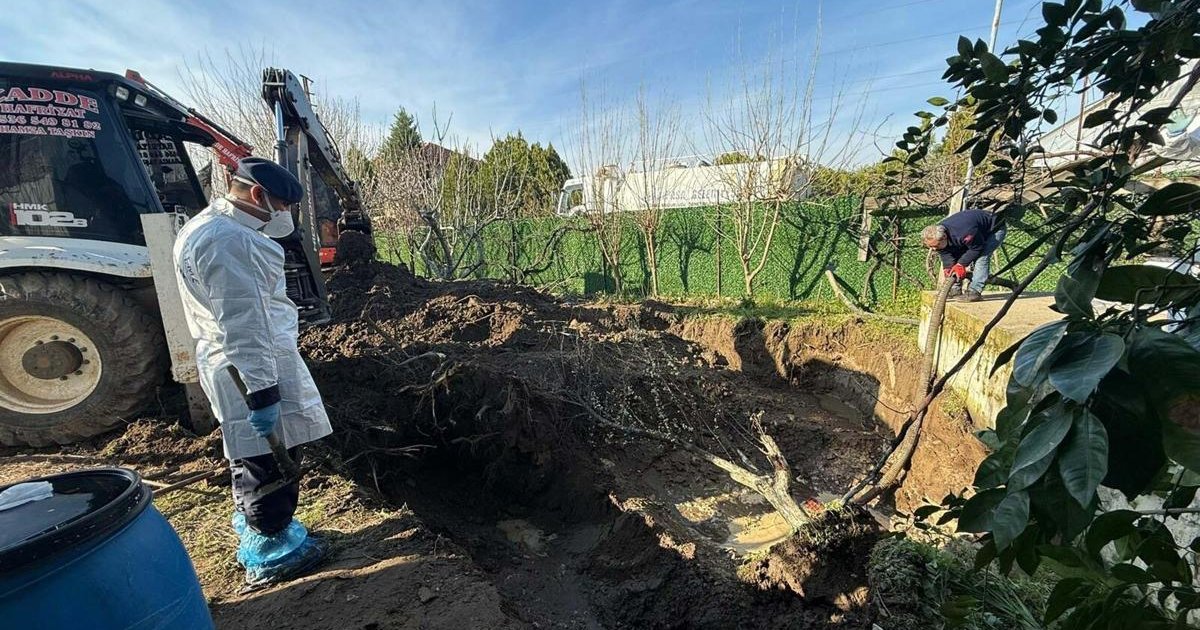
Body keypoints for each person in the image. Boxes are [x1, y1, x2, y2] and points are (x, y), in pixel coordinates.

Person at [173, 157, 331, 587]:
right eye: (281, 205)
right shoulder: (234, 242)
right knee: (270, 462)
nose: (285, 216)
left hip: (227, 364)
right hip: (253, 369)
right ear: (258, 195)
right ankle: (274, 549)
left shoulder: (204, 227)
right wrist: (264, 392)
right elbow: (247, 321)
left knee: (249, 456)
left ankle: (257, 524)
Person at [921, 208, 1007, 302]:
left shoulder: (964, 232)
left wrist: (961, 264)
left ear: (944, 237)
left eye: (935, 246)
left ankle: (974, 291)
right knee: (953, 264)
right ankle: (955, 290)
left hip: (994, 229)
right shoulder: (940, 237)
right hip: (976, 232)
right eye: (931, 246)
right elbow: (946, 254)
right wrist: (949, 269)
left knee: (981, 257)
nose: (933, 249)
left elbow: (977, 248)